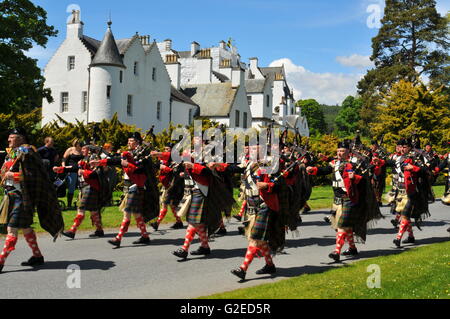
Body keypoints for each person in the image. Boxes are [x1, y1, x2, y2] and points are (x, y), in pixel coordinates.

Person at [0, 128, 64, 273]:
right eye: (9, 137)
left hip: (22, 196)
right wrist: (5, 173)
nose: (9, 140)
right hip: (9, 195)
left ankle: (1, 261)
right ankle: (37, 256)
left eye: (12, 137)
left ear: (21, 138)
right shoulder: (12, 154)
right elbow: (5, 171)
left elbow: (32, 176)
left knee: (12, 230)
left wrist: (13, 175)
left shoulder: (28, 153)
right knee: (26, 227)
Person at [307, 140, 382, 262]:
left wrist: (355, 177)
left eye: (342, 151)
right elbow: (324, 170)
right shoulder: (335, 163)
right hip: (337, 199)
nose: (340, 153)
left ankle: (337, 252)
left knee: (342, 225)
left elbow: (364, 179)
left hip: (349, 198)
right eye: (338, 151)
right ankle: (352, 248)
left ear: (348, 152)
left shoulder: (354, 164)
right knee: (343, 227)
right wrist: (313, 170)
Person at [93, 132, 159, 248]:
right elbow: (117, 160)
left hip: (137, 187)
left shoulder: (144, 154)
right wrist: (100, 162)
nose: (129, 142)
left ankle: (118, 238)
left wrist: (127, 163)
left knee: (127, 213)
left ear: (137, 142)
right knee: (137, 214)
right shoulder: (131, 153)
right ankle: (145, 236)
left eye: (131, 140)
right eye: (128, 140)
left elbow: (141, 170)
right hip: (131, 187)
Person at [230, 144, 284, 281]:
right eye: (252, 149)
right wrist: (220, 166)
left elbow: (281, 184)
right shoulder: (248, 164)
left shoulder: (270, 165)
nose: (252, 151)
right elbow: (234, 168)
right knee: (260, 240)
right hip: (252, 206)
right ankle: (270, 265)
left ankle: (243, 269)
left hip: (264, 205)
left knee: (255, 239)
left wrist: (268, 185)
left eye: (256, 149)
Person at [54, 143, 108, 239]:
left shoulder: (93, 158)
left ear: (89, 149)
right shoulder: (83, 159)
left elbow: (97, 173)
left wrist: (84, 172)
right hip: (85, 187)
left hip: (91, 187)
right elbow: (75, 168)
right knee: (93, 210)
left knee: (81, 208)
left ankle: (72, 230)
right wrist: (61, 169)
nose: (81, 150)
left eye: (83, 148)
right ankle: (99, 230)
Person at [150, 143, 184, 231]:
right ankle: (179, 222)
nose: (165, 151)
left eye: (167, 149)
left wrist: (165, 168)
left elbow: (176, 171)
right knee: (172, 205)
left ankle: (157, 223)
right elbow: (157, 164)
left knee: (164, 204)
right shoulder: (164, 159)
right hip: (166, 185)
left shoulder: (176, 158)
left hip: (172, 185)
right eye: (164, 149)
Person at [62, 139, 83, 209]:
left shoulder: (83, 150)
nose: (80, 145)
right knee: (72, 187)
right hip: (72, 170)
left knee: (82, 187)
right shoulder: (70, 150)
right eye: (79, 144)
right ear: (76, 144)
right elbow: (64, 159)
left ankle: (82, 203)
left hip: (81, 170)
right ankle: (69, 204)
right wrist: (63, 166)